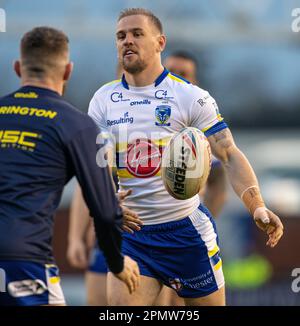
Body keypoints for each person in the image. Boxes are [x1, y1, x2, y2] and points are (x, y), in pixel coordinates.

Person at [73, 8, 283, 306]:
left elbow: (230, 155)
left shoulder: (189, 96)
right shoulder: (103, 99)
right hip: (132, 235)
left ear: (160, 42)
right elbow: (94, 163)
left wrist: (257, 205)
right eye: (121, 36)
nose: (127, 41)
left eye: (136, 34)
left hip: (185, 232)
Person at [67, 51, 228, 306]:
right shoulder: (106, 109)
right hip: (122, 228)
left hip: (178, 229)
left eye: (184, 74)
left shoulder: (193, 121)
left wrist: (203, 218)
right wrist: (79, 232)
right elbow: (88, 179)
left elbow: (220, 177)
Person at [0, 26, 140, 306]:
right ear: (67, 71)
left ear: (18, 68)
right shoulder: (77, 125)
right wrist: (117, 263)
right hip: (22, 260)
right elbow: (102, 211)